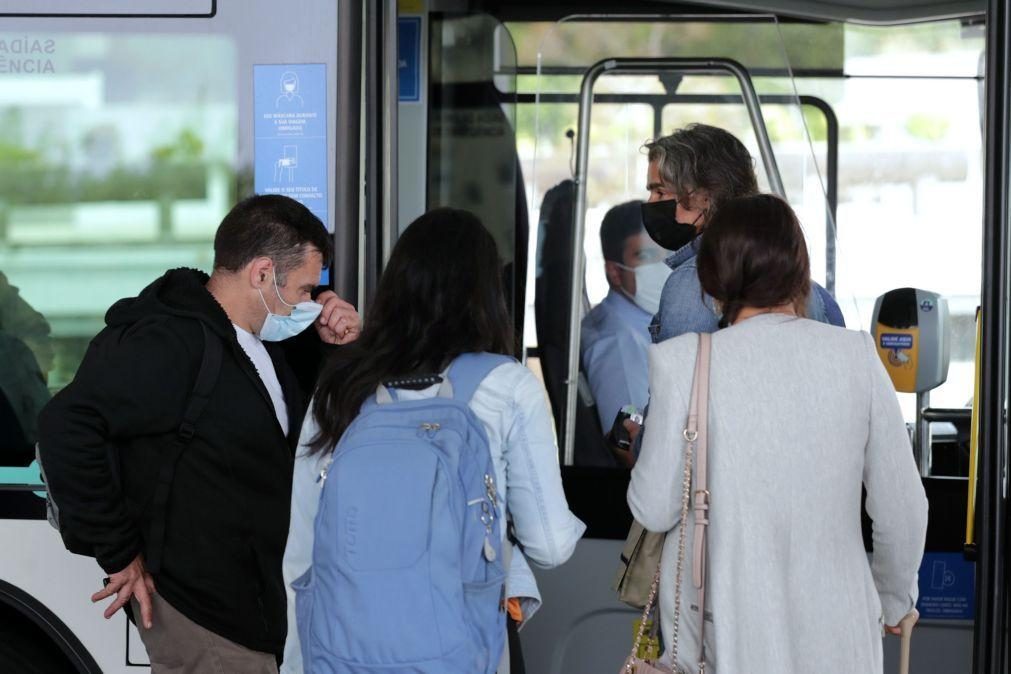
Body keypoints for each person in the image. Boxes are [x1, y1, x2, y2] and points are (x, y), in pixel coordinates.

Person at [37, 194, 361, 674]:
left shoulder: (259, 344)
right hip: (203, 612)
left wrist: (332, 348)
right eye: (305, 289)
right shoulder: (171, 342)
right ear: (262, 273)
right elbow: (64, 426)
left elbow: (295, 435)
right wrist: (119, 551)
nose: (310, 304)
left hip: (250, 607)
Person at [628, 194, 927, 674]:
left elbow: (653, 506)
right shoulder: (855, 357)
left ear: (712, 277)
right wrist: (893, 600)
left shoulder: (684, 361)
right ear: (798, 269)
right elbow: (904, 509)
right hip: (841, 643)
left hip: (723, 641)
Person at [282, 207, 585, 674]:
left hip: (346, 650)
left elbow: (302, 541)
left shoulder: (343, 385)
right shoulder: (506, 385)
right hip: (457, 647)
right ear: (487, 294)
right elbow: (550, 544)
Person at [641, 123, 845, 344]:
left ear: (706, 197)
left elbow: (680, 375)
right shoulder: (809, 289)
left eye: (660, 192)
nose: (651, 203)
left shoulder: (695, 280)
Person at [580, 201, 665, 457]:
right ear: (615, 273)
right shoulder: (619, 343)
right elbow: (628, 443)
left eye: (666, 253)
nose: (664, 267)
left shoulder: (644, 323)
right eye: (647, 256)